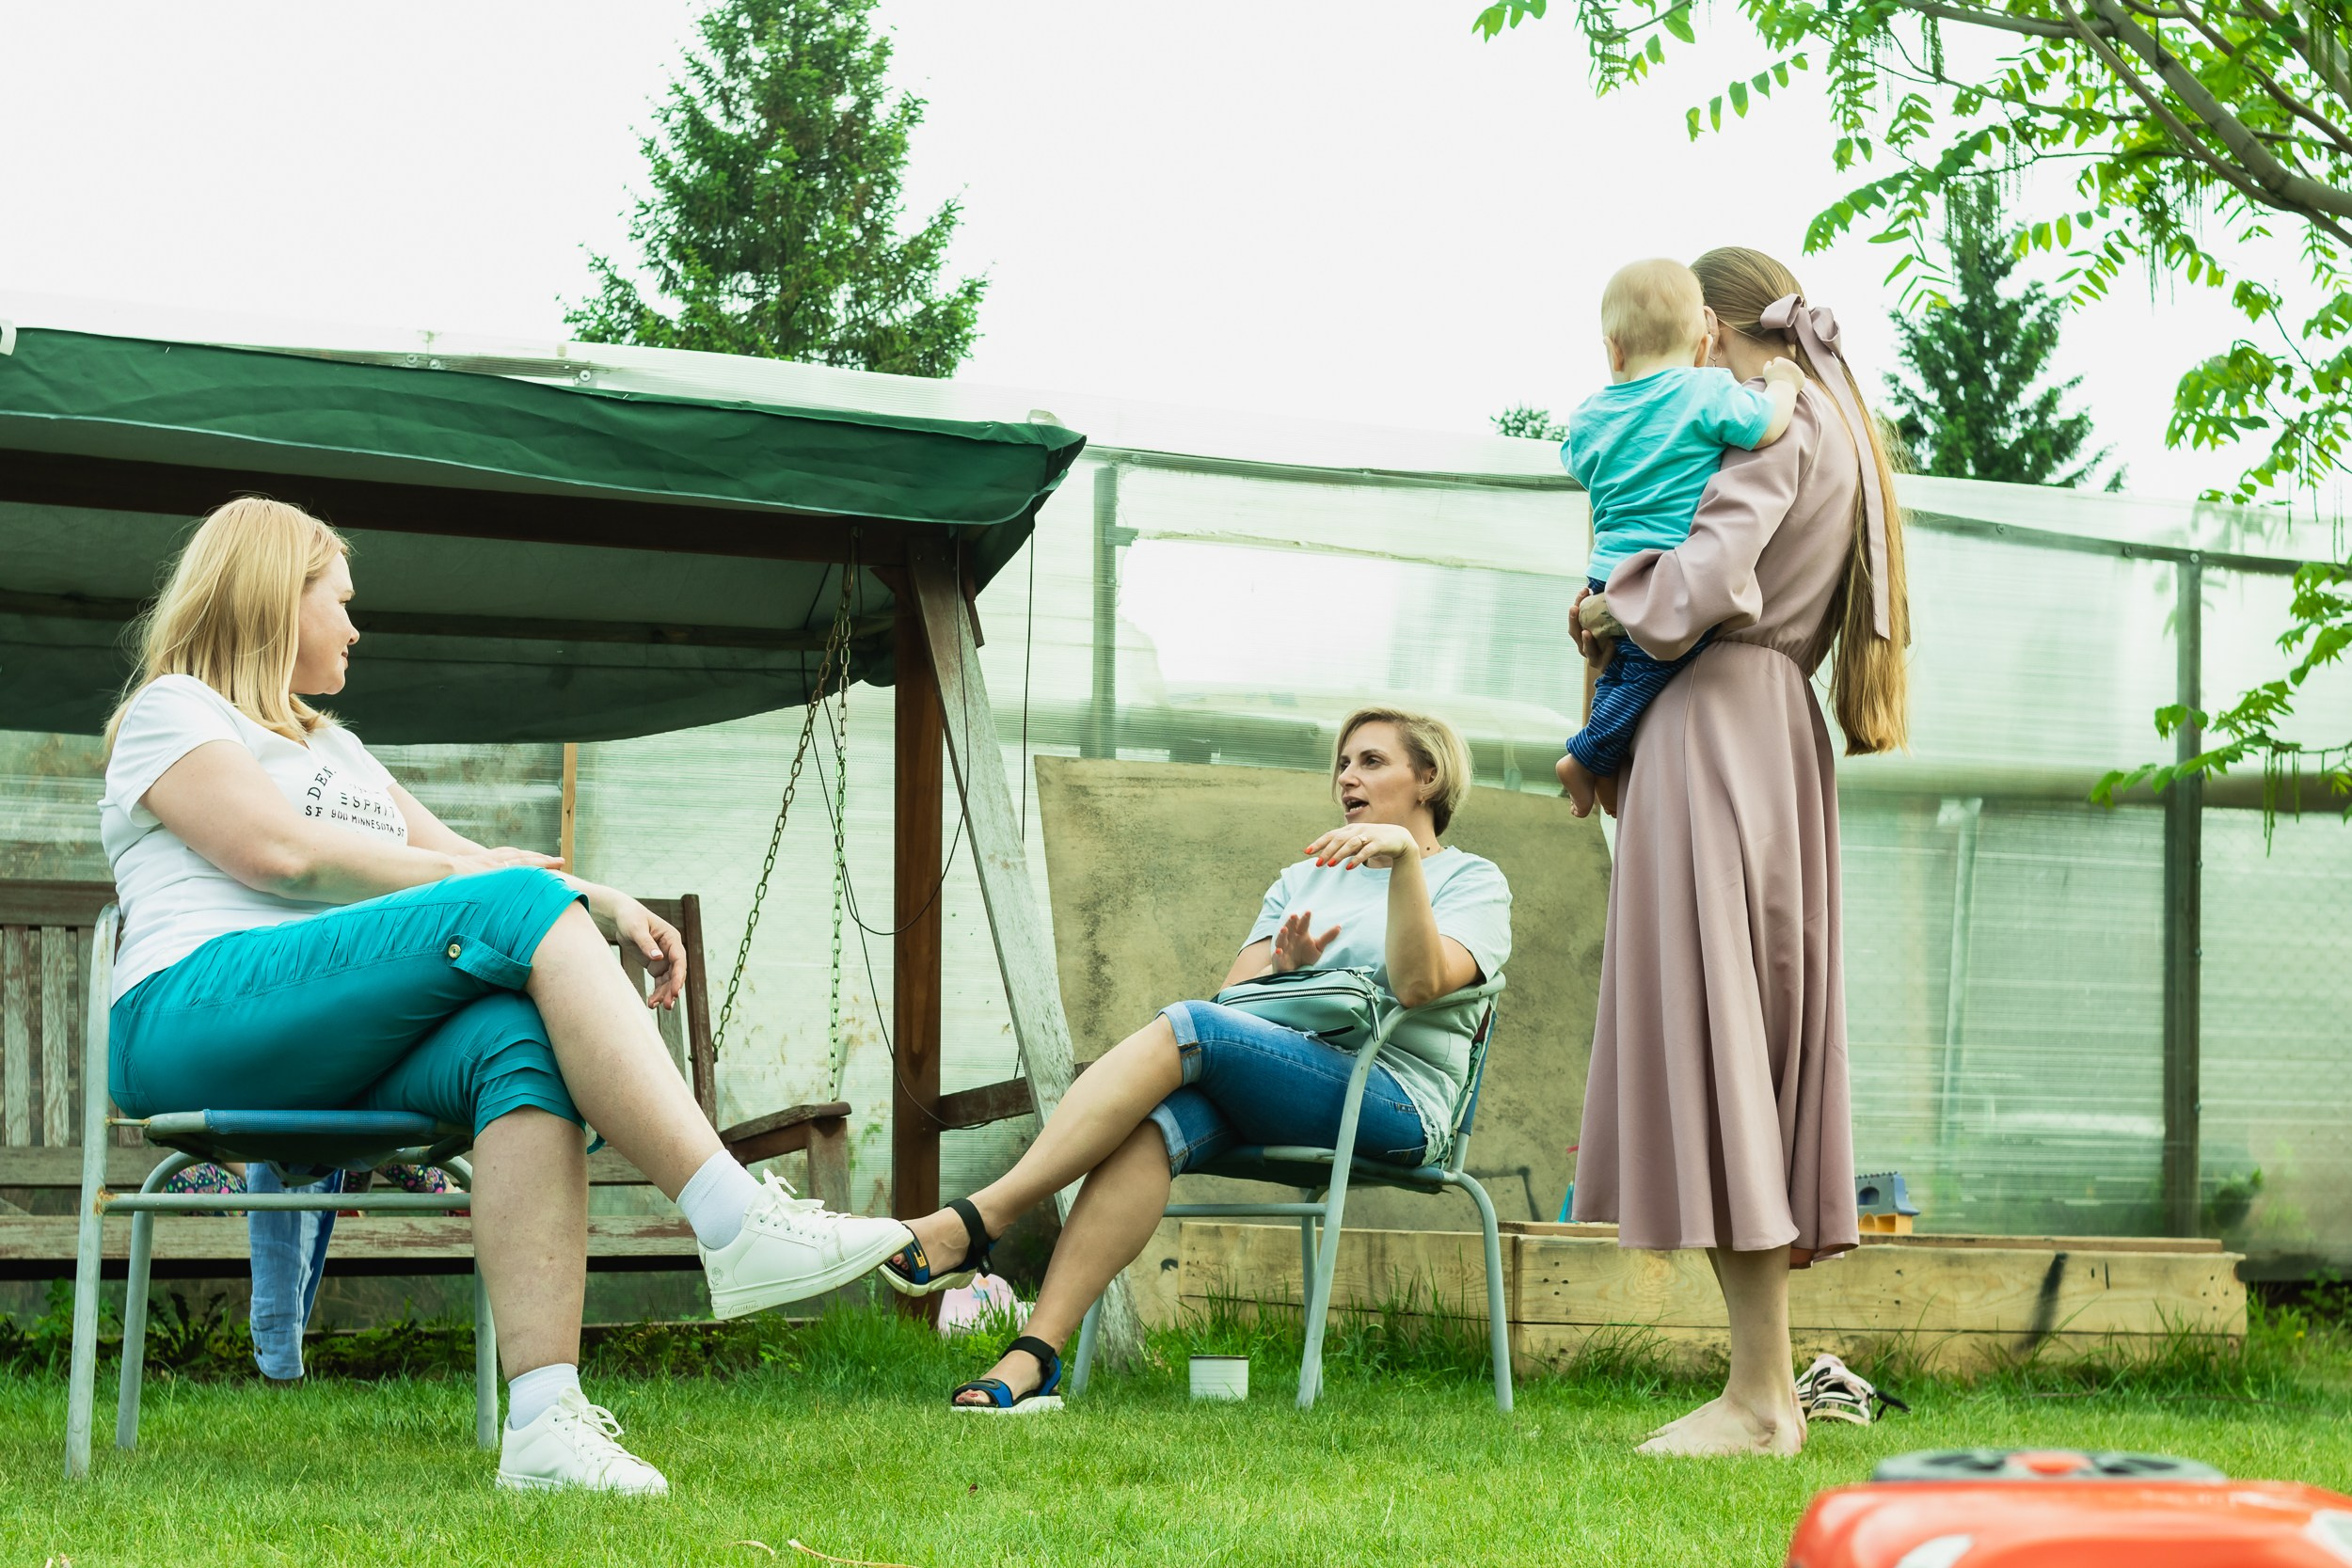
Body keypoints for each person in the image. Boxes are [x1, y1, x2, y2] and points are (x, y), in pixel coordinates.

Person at [99, 498, 914, 1493]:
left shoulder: (338, 751)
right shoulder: (176, 709)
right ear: (274, 600)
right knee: (511, 910)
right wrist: (505, 887)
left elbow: (469, 858)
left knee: (515, 1042)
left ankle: (544, 1422)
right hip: (190, 1016)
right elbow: (280, 853)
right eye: (339, 601)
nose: (355, 628)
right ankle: (731, 1216)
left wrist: (604, 900)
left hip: (324, 1035)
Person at [879, 708, 1511, 1410]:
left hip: (1393, 1103)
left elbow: (1419, 985)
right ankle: (1033, 1355)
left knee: (1188, 1025)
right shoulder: (1304, 878)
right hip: (1286, 1081)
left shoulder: (1472, 881)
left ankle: (979, 1219)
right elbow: (1233, 1000)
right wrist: (1285, 966)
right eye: (1342, 763)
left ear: (1429, 777)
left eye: (1371, 761)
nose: (1346, 778)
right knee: (1154, 1127)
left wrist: (1404, 862)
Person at [1568, 246, 1910, 1456]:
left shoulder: (1773, 417)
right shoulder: (1830, 420)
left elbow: (1703, 579)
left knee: (1719, 1049)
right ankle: (1758, 1387)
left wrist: (1610, 602)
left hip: (1713, 723)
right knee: (1742, 1051)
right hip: (1766, 729)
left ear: (1709, 332)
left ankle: (1761, 1397)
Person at [1554, 257, 1805, 818]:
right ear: (1702, 346)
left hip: (1607, 570)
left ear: (1614, 351)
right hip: (1661, 572)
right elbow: (1766, 425)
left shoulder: (1591, 413)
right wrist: (1784, 383)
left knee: (1618, 664)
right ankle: (1587, 755)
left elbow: (1577, 462)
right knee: (1654, 667)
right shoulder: (1706, 391)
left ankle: (1604, 766)